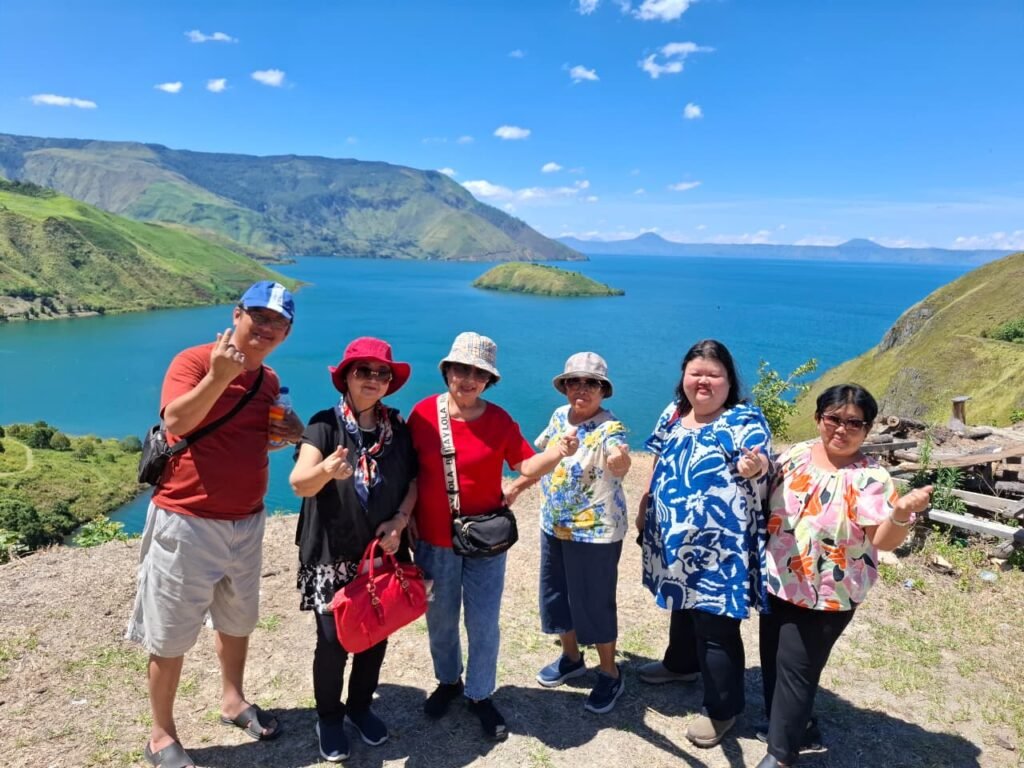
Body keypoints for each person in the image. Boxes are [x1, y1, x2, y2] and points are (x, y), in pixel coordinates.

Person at [126, 281, 303, 768]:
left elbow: (252, 439)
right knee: (170, 632)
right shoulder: (193, 361)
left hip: (246, 520)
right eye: (259, 316)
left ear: (287, 333)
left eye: (278, 322)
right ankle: (161, 736)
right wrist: (219, 377)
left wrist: (290, 434)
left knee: (237, 619)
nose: (266, 328)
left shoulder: (268, 380)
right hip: (187, 519)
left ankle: (233, 700)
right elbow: (176, 423)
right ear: (237, 314)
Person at [407, 331, 579, 742]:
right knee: (440, 620)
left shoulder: (499, 420)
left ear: (489, 380)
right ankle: (448, 680)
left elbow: (525, 464)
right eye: (461, 370)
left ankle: (480, 692)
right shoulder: (423, 415)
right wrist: (403, 516)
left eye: (479, 374)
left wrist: (558, 452)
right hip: (433, 538)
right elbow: (407, 471)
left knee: (483, 622)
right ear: (447, 371)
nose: (469, 380)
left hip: (485, 540)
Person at [755, 384, 932, 768]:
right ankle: (795, 726)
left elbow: (882, 541)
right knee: (773, 657)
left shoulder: (871, 478)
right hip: (779, 578)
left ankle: (781, 754)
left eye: (854, 423)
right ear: (818, 418)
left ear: (867, 429)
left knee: (797, 668)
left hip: (830, 592)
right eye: (833, 418)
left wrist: (901, 513)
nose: (842, 429)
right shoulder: (797, 455)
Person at [636, 339, 772, 748]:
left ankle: (722, 708)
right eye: (696, 373)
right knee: (681, 605)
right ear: (684, 376)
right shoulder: (674, 413)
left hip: (720, 548)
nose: (704, 381)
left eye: (714, 375)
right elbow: (658, 460)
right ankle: (681, 664)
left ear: (730, 381)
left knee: (715, 624)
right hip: (672, 537)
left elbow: (762, 463)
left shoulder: (744, 420)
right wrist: (646, 504)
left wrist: (754, 466)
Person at [289, 337, 418, 763]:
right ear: (346, 377)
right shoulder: (324, 425)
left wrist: (400, 520)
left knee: (374, 634)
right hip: (331, 555)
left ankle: (360, 707)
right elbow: (299, 483)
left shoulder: (396, 428)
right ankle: (329, 717)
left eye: (382, 373)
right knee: (332, 642)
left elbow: (413, 481)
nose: (373, 379)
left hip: (381, 552)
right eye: (363, 371)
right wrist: (326, 470)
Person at [505, 352, 632, 714]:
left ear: (603, 390)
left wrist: (620, 461)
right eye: (574, 381)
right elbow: (547, 459)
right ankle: (572, 658)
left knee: (594, 601)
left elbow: (618, 459)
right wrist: (517, 487)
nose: (582, 388)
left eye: (591, 383)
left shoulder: (611, 428)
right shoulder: (560, 417)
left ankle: (609, 673)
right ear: (564, 387)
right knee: (556, 594)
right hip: (554, 525)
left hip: (595, 533)